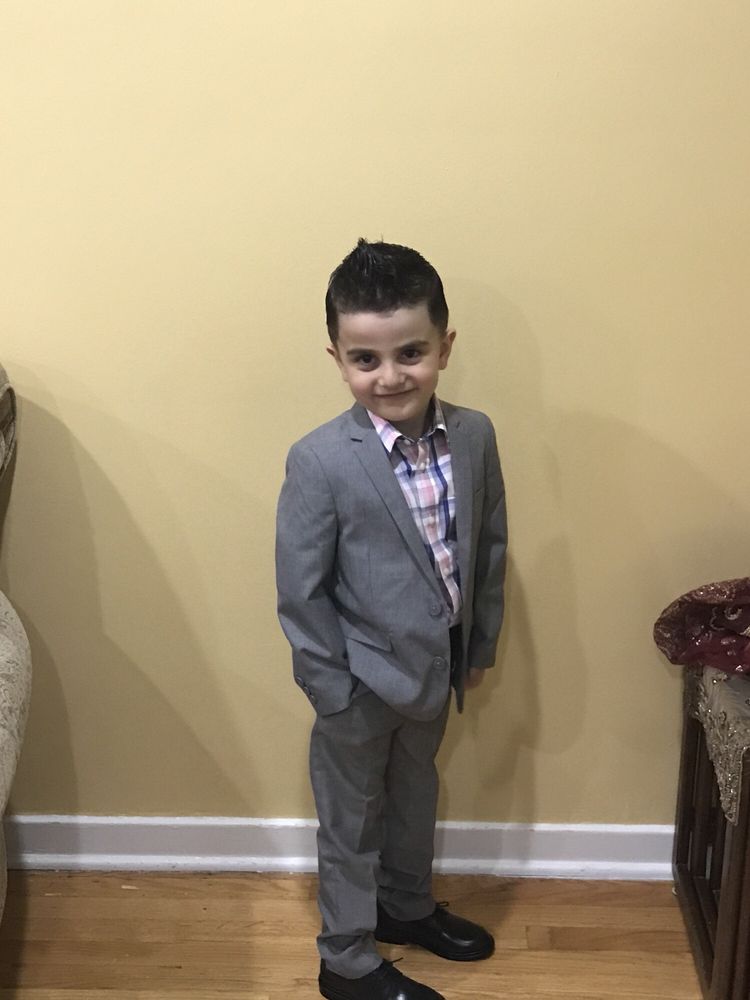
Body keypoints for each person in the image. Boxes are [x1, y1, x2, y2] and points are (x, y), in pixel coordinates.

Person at [276, 239, 507, 1000]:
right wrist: (331, 689)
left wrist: (477, 646)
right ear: (338, 359)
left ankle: (404, 907)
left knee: (415, 796)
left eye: (410, 352)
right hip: (358, 682)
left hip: (435, 669)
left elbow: (488, 544)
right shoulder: (320, 459)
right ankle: (344, 959)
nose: (391, 375)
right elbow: (301, 589)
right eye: (365, 359)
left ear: (445, 345)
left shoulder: (474, 435)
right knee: (350, 821)